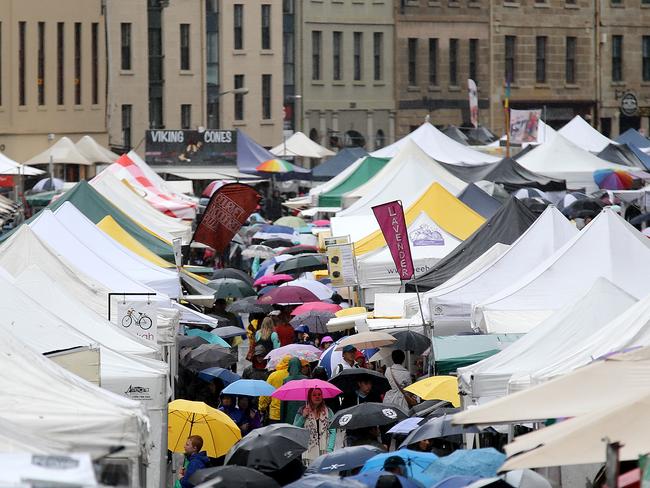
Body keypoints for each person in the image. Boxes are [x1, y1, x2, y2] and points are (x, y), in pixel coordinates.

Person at [293, 388, 336, 465]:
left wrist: (330, 448)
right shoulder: (302, 409)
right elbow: (295, 428)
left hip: (325, 452)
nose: (317, 397)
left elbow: (333, 430)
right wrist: (303, 417)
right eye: (314, 395)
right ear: (309, 397)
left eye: (319, 394)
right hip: (308, 452)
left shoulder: (328, 411)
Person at [259, 355, 291, 423]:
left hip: (275, 414)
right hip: (290, 414)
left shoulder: (273, 375)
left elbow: (265, 394)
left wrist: (262, 407)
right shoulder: (294, 376)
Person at [281, 357, 308, 424]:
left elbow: (283, 402)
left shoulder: (286, 380)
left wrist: (282, 419)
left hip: (289, 414)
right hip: (303, 413)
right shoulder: (306, 379)